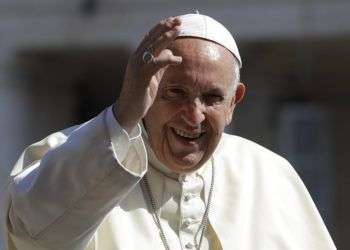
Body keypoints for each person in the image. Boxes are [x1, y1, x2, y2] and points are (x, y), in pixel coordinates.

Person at [0, 13, 336, 250]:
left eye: (212, 98)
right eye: (175, 93)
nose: (193, 116)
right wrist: (121, 120)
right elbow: (36, 236)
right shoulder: (71, 153)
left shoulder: (271, 174)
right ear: (146, 89)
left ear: (234, 102)